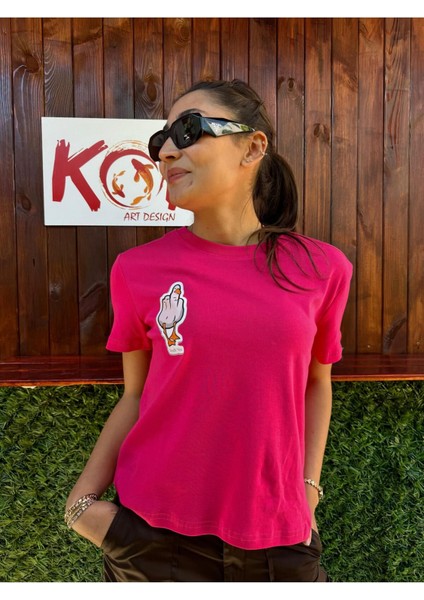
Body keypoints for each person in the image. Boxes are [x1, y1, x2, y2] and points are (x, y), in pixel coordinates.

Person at [65, 79, 352, 582]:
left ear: (253, 147)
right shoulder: (137, 270)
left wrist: (307, 492)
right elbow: (135, 395)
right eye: (161, 141)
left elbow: (316, 383)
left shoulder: (322, 268)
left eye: (188, 130)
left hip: (277, 539)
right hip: (150, 538)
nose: (166, 152)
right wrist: (81, 505)